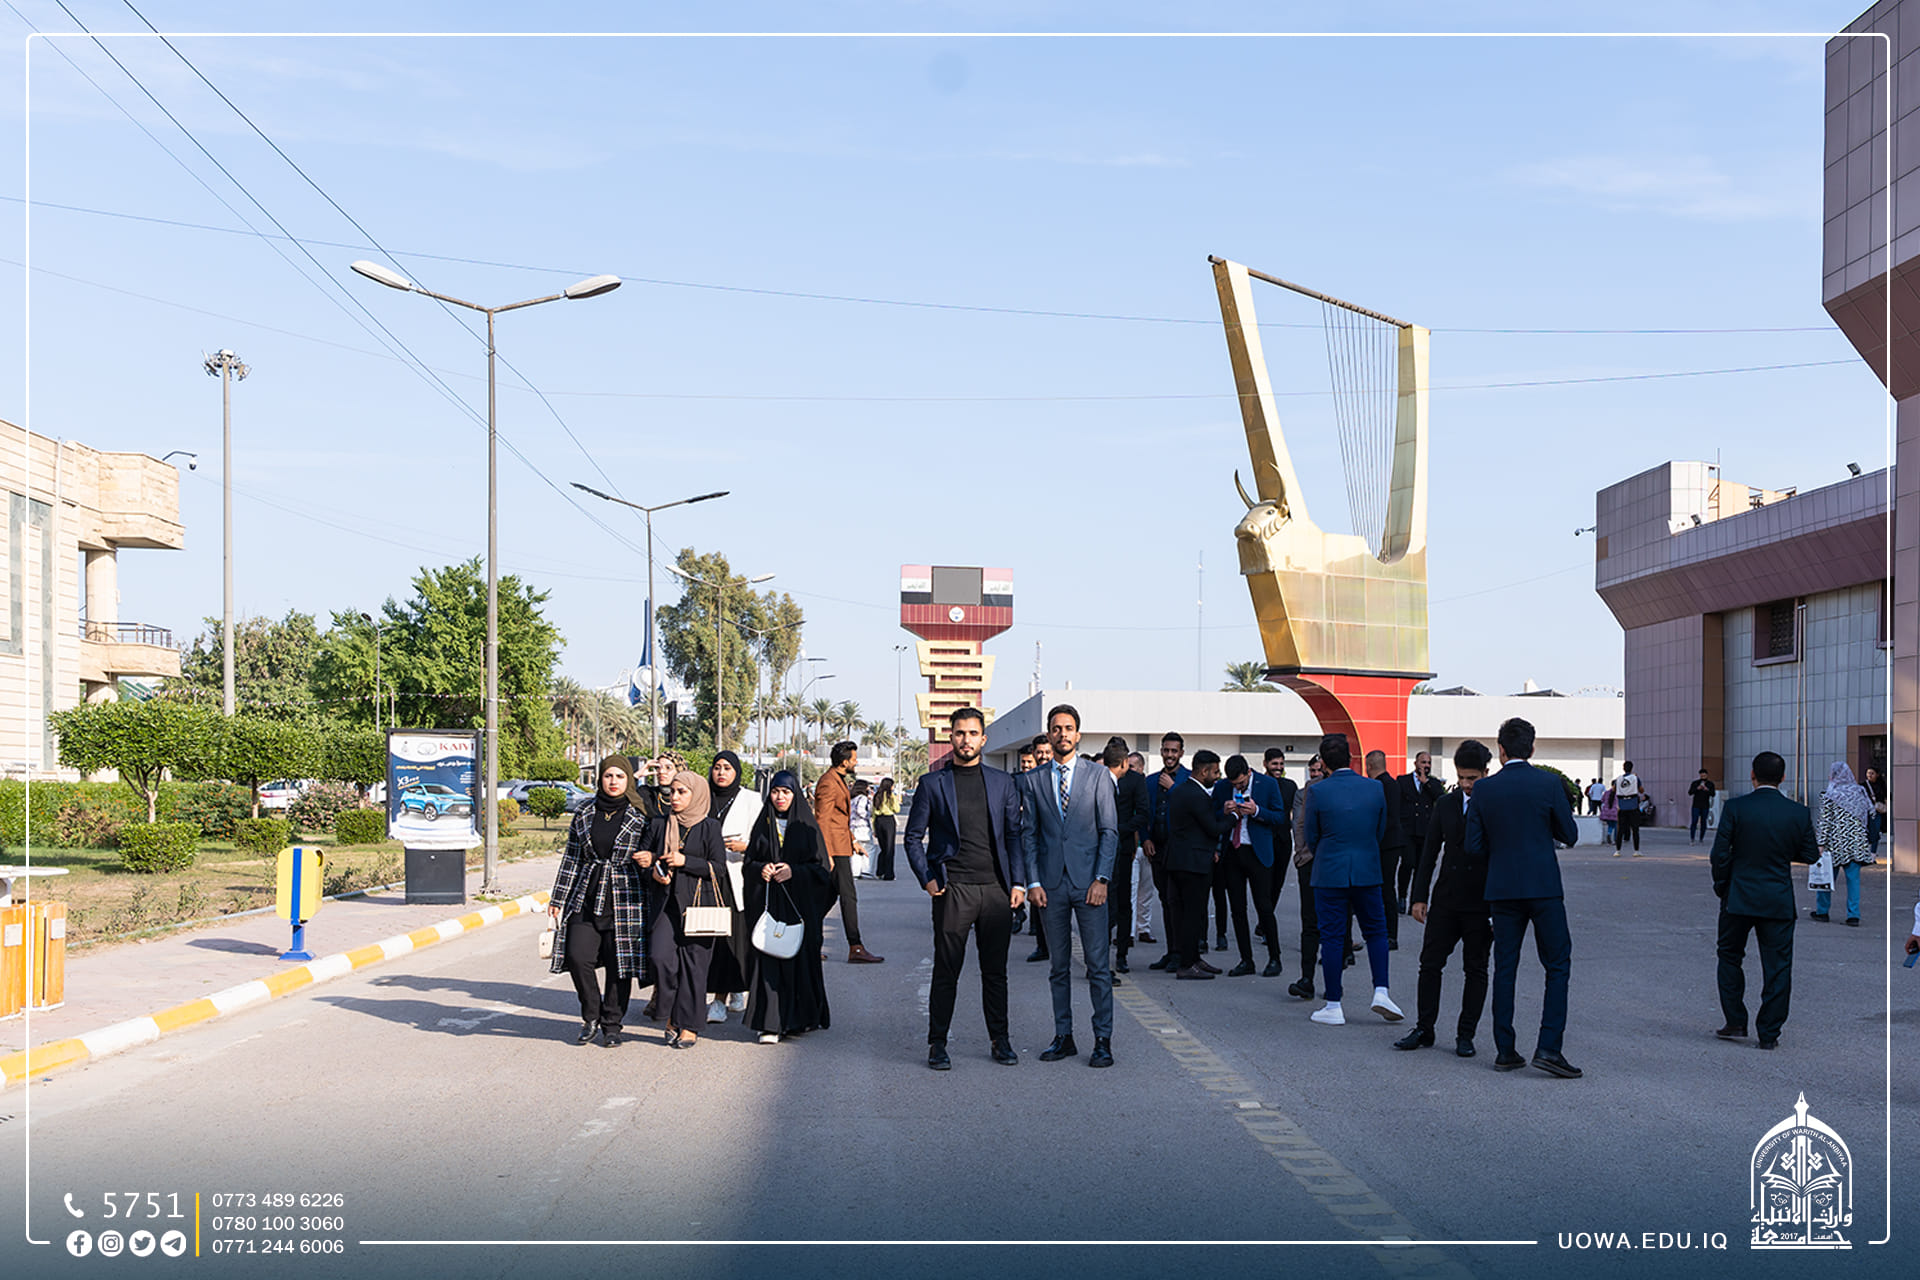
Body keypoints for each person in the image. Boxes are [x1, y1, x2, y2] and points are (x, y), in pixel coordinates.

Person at [905, 707, 1027, 1069]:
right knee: (947, 970)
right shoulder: (933, 784)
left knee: (995, 972)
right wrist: (927, 877)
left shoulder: (1003, 783)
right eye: (960, 733)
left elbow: (1014, 835)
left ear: (983, 739)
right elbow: (913, 837)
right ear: (951, 737)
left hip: (995, 890)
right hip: (952, 890)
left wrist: (1017, 882)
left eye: (973, 733)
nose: (966, 740)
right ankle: (937, 1044)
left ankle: (1000, 1040)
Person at [1467, 717, 1581, 1078]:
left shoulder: (1483, 790)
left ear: (1500, 750)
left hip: (1502, 889)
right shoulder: (1549, 784)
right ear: (1532, 748)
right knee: (1557, 965)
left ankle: (1505, 1049)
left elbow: (1473, 846)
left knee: (1505, 966)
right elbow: (1570, 834)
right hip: (1544, 886)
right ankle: (1549, 1047)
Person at [1018, 703, 1119, 1067]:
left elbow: (1109, 831)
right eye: (1056, 728)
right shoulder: (1033, 779)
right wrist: (1032, 881)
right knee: (1058, 967)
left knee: (1098, 966)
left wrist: (1102, 878)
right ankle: (1064, 1037)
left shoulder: (1098, 776)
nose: (1062, 734)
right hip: (1050, 886)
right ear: (1049, 734)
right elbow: (1029, 835)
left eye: (1068, 728)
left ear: (1078, 734)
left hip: (1090, 884)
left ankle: (1102, 1040)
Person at [1710, 751, 1817, 1050]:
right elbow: (1810, 854)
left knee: (1730, 956)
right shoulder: (1798, 813)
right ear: (1783, 777)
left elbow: (1719, 854)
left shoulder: (1736, 808)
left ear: (1752, 775)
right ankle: (1769, 1033)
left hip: (1738, 896)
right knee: (1778, 966)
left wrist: (1722, 886)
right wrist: (1783, 853)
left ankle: (1735, 1020)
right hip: (1778, 898)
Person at [547, 755, 651, 1046]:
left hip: (625, 896)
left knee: (619, 965)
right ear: (600, 778)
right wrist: (558, 897)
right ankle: (591, 1015)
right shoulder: (584, 811)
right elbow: (572, 857)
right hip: (587, 893)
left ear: (628, 779)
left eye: (620, 776)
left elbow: (652, 850)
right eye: (608, 776)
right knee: (578, 956)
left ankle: (613, 1025)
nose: (613, 782)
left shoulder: (640, 813)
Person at [1400, 741, 1494, 1057]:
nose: (1466, 784)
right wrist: (1419, 897)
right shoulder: (1445, 804)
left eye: (1472, 778)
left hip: (1481, 903)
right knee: (1429, 964)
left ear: (1485, 773)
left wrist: (1500, 905)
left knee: (1476, 969)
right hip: (1446, 899)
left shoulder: (1495, 805)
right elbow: (1429, 853)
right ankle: (1424, 1028)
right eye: (1462, 777)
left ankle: (1466, 1035)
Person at [1302, 735, 1401, 1026]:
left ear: (1323, 762)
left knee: (1332, 937)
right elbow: (1380, 830)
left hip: (1330, 870)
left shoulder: (1317, 791)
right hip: (1367, 867)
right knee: (1377, 931)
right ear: (1351, 758)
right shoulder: (1374, 788)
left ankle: (1334, 1004)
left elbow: (1311, 835)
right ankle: (1381, 991)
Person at [743, 771, 834, 1044]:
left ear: (795, 795)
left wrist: (795, 871)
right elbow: (749, 863)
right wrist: (761, 869)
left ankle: (797, 1019)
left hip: (799, 907)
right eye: (775, 792)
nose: (780, 797)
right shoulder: (763, 825)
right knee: (768, 959)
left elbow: (821, 870)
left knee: (798, 960)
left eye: (786, 792)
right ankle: (770, 1024)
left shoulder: (806, 826)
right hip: (769, 905)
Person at [644, 770, 731, 1049]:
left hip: (699, 904)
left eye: (682, 792)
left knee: (695, 967)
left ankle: (689, 1026)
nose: (675, 797)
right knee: (660, 958)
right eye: (673, 792)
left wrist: (686, 862)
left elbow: (718, 868)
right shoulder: (659, 824)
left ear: (697, 795)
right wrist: (653, 870)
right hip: (666, 904)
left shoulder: (709, 827)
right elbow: (647, 858)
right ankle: (672, 1014)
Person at [704, 750, 763, 1025]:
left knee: (732, 940)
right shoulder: (704, 797)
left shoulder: (750, 799)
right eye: (717, 767)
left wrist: (745, 847)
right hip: (707, 878)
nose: (721, 773)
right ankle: (725, 992)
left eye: (727, 768)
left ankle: (722, 998)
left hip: (736, 878)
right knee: (711, 939)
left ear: (737, 772)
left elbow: (764, 840)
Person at [1214, 754, 1286, 978]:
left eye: (1241, 783)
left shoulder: (1268, 784)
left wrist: (1256, 811)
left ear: (1248, 772)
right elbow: (1211, 815)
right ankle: (1246, 959)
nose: (1238, 787)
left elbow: (1280, 816)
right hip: (1232, 852)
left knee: (1264, 906)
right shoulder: (1222, 787)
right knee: (1237, 909)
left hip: (1257, 851)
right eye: (1234, 784)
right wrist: (1224, 811)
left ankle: (1275, 958)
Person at [1163, 748, 1231, 981]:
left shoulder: (1182, 790)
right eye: (1215, 772)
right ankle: (1187, 964)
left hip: (1181, 860)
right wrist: (1233, 817)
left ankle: (1193, 958)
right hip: (1192, 863)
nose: (1217, 776)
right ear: (1203, 772)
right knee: (1192, 915)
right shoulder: (1196, 795)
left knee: (1188, 913)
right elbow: (1212, 828)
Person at [816, 742, 883, 963]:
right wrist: (826, 853)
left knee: (828, 898)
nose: (856, 762)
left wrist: (853, 841)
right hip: (834, 850)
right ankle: (855, 947)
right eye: (854, 759)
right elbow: (823, 820)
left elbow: (839, 819)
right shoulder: (828, 783)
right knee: (848, 897)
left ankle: (807, 939)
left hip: (842, 846)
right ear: (845, 762)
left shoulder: (838, 780)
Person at [1143, 732, 1191, 970]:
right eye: (1166, 750)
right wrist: (1145, 838)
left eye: (1174, 751)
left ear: (1181, 753)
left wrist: (1173, 789)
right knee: (1165, 900)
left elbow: (1192, 808)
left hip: (1180, 851)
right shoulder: (1151, 781)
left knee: (1178, 901)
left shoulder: (1188, 779)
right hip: (1157, 849)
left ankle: (1181, 953)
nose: (1169, 755)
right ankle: (1171, 951)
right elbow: (1142, 813)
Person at [1811, 761, 1875, 926]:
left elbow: (1824, 822)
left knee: (1825, 878)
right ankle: (1853, 915)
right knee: (1853, 881)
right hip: (1856, 844)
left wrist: (1820, 844)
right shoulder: (1859, 792)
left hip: (1834, 844)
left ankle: (1822, 912)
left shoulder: (1829, 795)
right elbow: (1871, 813)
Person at [1286, 754, 1329, 1000]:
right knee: (1311, 923)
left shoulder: (1349, 786)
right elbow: (1299, 825)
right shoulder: (1308, 790)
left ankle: (1333, 983)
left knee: (1333, 923)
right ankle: (1307, 979)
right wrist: (1303, 855)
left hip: (1334, 863)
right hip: (1311, 863)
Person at [1107, 737, 1149, 975]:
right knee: (1102, 905)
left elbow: (1143, 813)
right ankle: (1100, 956)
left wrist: (1119, 829)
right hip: (1099, 848)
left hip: (1123, 847)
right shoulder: (1099, 775)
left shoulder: (1135, 780)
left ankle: (1121, 954)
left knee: (1124, 902)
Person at [1364, 749, 1413, 949]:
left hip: (1385, 843)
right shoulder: (1393, 784)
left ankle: (1389, 934)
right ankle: (1388, 933)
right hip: (1393, 842)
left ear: (1369, 766)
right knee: (1386, 888)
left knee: (1384, 889)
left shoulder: (1378, 786)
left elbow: (1381, 816)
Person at [1395, 752, 1445, 914]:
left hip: (1425, 831)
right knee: (1408, 863)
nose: (1426, 766)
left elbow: (1441, 799)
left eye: (1428, 763)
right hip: (1408, 830)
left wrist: (1427, 783)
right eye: (1423, 762)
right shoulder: (1403, 781)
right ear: (1415, 763)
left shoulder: (1433, 783)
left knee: (1421, 867)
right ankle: (1402, 896)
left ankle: (1415, 901)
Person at [1023, 734, 1056, 961]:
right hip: (1037, 850)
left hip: (1060, 850)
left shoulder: (1061, 777)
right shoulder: (1027, 780)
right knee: (1038, 899)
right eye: (1039, 752)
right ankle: (1042, 946)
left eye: (1047, 752)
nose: (1043, 756)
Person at [1262, 748, 1300, 932]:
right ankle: (1265, 921)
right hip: (1264, 840)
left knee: (1277, 883)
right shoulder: (1259, 784)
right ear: (1265, 764)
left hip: (1283, 841)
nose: (1278, 767)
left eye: (1281, 764)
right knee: (1265, 884)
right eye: (1274, 764)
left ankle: (1264, 922)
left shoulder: (1290, 786)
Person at [1126, 751, 1157, 946]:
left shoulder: (1148, 787)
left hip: (1148, 846)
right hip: (1131, 846)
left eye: (1132, 766)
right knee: (1131, 890)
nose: (1128, 769)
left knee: (1147, 891)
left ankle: (1143, 928)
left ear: (1141, 768)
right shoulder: (1124, 786)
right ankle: (1128, 932)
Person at [872, 777, 901, 881]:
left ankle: (880, 871)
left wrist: (874, 828)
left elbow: (873, 813)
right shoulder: (891, 796)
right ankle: (889, 874)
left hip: (878, 821)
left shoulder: (877, 796)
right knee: (889, 848)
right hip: (888, 821)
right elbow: (897, 809)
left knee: (883, 848)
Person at [1613, 761, 1643, 855]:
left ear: (1623, 768)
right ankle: (1636, 851)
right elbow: (1641, 790)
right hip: (1633, 805)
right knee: (1635, 829)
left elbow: (1614, 789)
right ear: (1632, 768)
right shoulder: (1635, 778)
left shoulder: (1618, 779)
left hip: (1622, 806)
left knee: (1620, 829)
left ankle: (1617, 850)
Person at [850, 779, 876, 879]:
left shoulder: (852, 799)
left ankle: (855, 872)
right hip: (863, 827)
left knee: (856, 850)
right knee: (869, 848)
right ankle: (866, 870)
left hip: (852, 827)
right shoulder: (863, 798)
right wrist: (868, 815)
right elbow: (861, 810)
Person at [1863, 765, 1887, 859]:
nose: (1870, 775)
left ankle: (1873, 854)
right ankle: (1865, 853)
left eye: (1872, 773)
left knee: (1875, 832)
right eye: (1868, 773)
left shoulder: (1881, 785)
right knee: (1865, 832)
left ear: (1877, 775)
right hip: (1865, 812)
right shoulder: (1863, 785)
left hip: (1877, 812)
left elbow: (1886, 796)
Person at [1688, 769, 1717, 844]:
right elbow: (1690, 792)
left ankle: (1701, 838)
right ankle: (1692, 838)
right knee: (1694, 821)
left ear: (1707, 775)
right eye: (1701, 775)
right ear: (1700, 775)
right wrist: (1697, 788)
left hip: (1705, 805)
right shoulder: (1695, 783)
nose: (1703, 776)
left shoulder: (1710, 784)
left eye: (1704, 775)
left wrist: (1707, 789)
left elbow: (1713, 794)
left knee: (1703, 822)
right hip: (1696, 805)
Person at [1599, 783, 1619, 847]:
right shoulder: (1618, 794)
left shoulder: (1606, 793)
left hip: (1607, 812)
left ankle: (1609, 834)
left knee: (1610, 825)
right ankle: (1615, 839)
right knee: (1616, 826)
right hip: (1615, 812)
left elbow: (1602, 800)